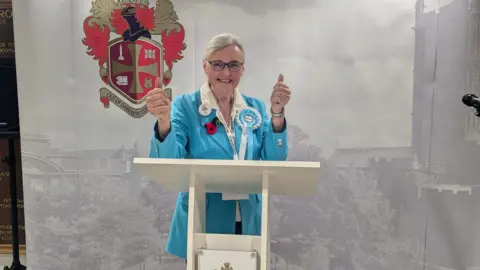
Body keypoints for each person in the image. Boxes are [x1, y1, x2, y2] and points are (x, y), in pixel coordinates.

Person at [146, 33, 291, 259]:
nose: (226, 72)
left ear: (242, 69)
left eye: (233, 65)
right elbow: (169, 160)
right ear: (205, 67)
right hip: (202, 219)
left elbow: (275, 158)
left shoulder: (256, 108)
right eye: (217, 64)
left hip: (248, 219)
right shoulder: (186, 106)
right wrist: (164, 121)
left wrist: (277, 114)